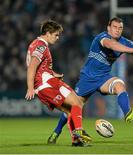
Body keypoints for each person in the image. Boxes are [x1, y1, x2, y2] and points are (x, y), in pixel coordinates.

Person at [47, 17, 133, 144]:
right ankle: (56, 132)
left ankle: (127, 112)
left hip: (103, 78)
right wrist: (131, 50)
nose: (117, 30)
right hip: (88, 78)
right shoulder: (101, 37)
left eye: (120, 28)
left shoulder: (124, 41)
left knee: (119, 84)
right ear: (109, 28)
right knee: (73, 107)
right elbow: (111, 45)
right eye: (115, 27)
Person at [25, 19, 92, 147]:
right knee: (77, 102)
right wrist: (29, 88)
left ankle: (76, 141)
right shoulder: (41, 45)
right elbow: (32, 66)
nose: (57, 38)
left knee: (69, 111)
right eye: (56, 35)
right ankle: (79, 131)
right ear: (48, 33)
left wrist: (54, 74)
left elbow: (41, 68)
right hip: (47, 84)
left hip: (43, 86)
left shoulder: (35, 44)